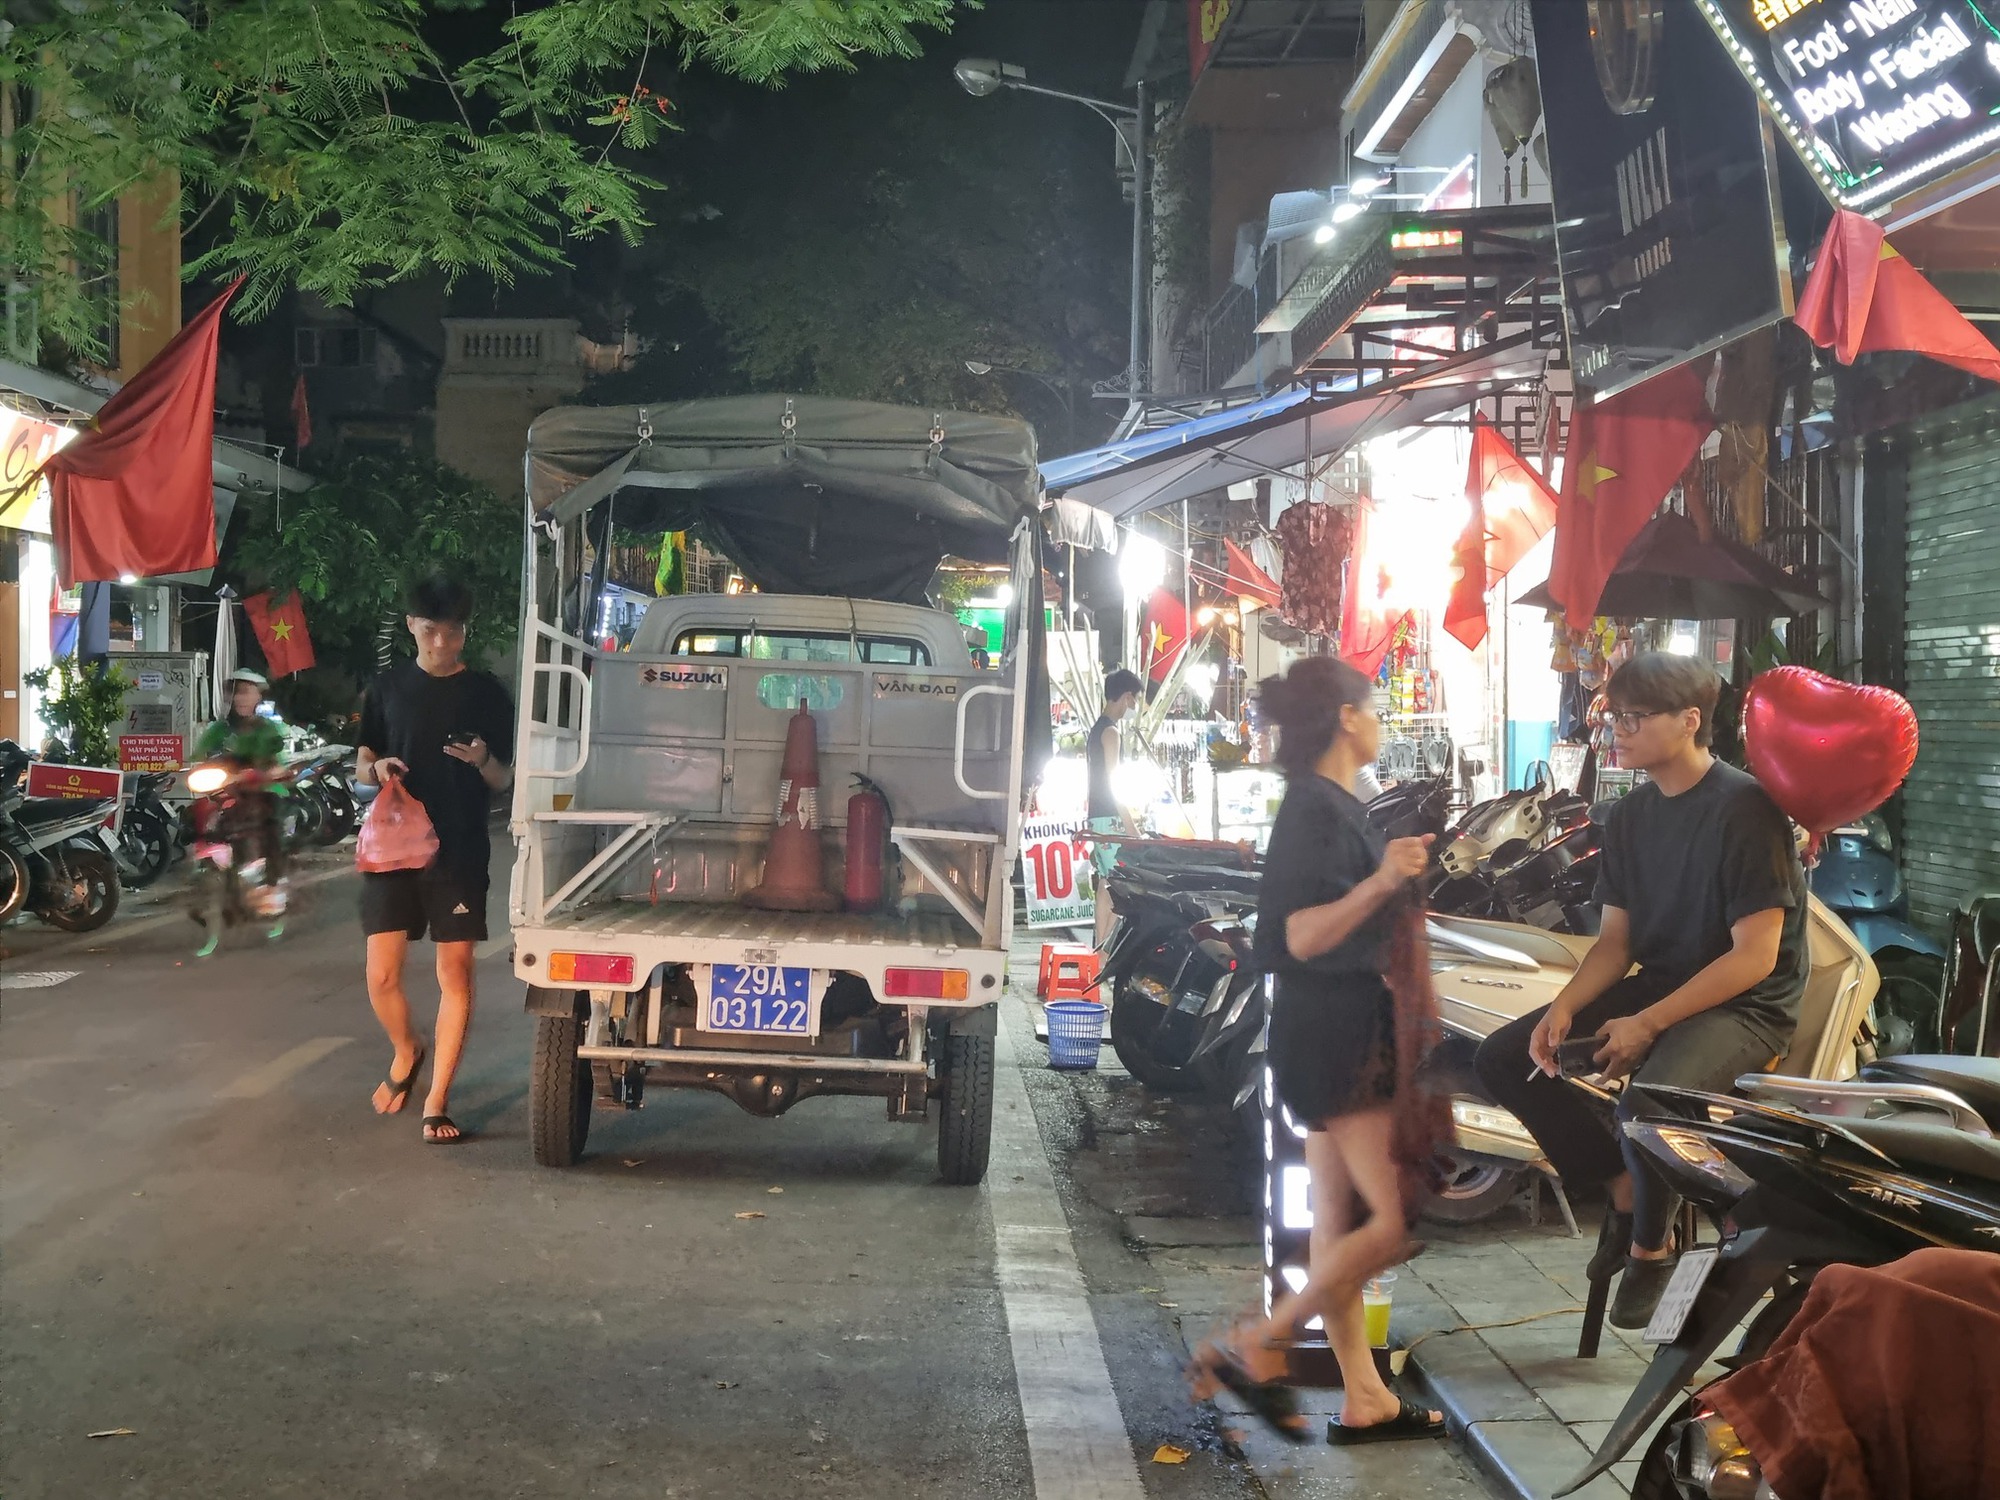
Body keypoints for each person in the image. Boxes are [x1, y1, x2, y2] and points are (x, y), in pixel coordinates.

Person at [1474, 652, 1808, 1327]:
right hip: (1661, 983)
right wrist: (1564, 1008)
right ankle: (1625, 1188)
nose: (1615, 731)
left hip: (1747, 1004)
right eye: (1612, 717)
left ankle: (1651, 1249)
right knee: (1504, 1058)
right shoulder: (1628, 816)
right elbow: (1616, 944)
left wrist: (1647, 1023)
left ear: (1689, 721)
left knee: (1648, 1102)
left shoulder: (1747, 810)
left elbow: (1754, 957)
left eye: (1633, 717)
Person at [1193, 657, 1445, 1445]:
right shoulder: (1314, 809)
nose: (1380, 723)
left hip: (1326, 1030)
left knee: (1336, 1223)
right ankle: (1259, 1342)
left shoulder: (1335, 803)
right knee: (1393, 1220)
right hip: (1341, 1038)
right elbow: (1300, 935)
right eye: (1373, 708)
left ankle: (1364, 1396)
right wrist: (1383, 880)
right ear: (1345, 717)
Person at [355, 576, 515, 1145]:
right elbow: (364, 757)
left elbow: (503, 779)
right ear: (411, 627)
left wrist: (483, 760)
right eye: (430, 631)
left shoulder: (487, 693)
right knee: (382, 976)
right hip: (394, 846)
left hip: (459, 849)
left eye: (453, 632)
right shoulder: (387, 688)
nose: (442, 643)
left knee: (455, 973)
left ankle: (437, 1100)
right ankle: (407, 1049)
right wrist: (376, 769)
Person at [1086, 669, 1145, 939]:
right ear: (1127, 697)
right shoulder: (1111, 732)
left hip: (1097, 815)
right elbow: (1114, 781)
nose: (1134, 707)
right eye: (1135, 700)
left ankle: (1100, 948)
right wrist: (1130, 824)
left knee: (1106, 881)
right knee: (1118, 884)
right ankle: (1104, 948)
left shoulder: (1097, 729)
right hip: (1110, 817)